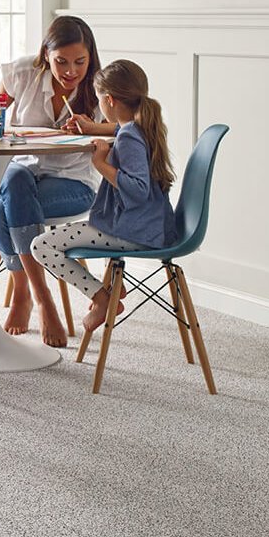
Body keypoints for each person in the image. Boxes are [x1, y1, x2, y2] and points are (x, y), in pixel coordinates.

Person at [0, 16, 116, 347]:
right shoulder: (24, 74)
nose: (70, 71)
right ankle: (38, 295)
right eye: (61, 61)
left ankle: (28, 294)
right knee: (15, 177)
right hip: (21, 176)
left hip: (73, 183)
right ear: (45, 55)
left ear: (90, 56)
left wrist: (93, 127)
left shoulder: (101, 87)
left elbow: (129, 128)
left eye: (80, 62)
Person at [30, 59, 177, 332]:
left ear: (109, 100)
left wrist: (100, 165)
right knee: (52, 242)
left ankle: (102, 299)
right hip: (149, 228)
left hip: (134, 233)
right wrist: (96, 134)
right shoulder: (136, 128)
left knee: (41, 246)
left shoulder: (129, 137)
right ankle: (104, 296)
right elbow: (119, 133)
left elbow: (138, 189)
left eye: (99, 101)